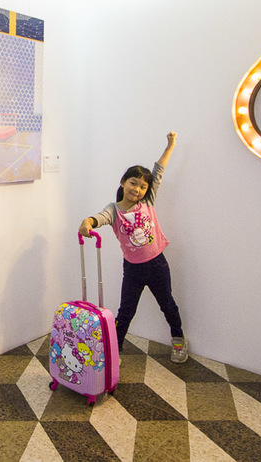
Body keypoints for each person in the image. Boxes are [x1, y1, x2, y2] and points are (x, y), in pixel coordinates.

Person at [78, 131, 188, 363]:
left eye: (142, 186)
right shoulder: (114, 210)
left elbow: (159, 171)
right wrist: (88, 222)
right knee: (126, 312)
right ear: (123, 182)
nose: (137, 189)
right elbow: (99, 218)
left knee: (167, 304)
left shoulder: (148, 202)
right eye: (133, 183)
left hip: (157, 264)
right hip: (133, 269)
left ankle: (178, 339)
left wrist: (169, 147)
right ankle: (114, 351)